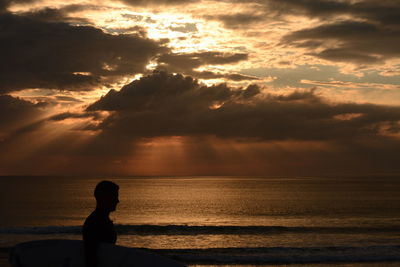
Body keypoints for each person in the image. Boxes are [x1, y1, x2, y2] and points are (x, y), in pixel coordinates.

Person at [83, 180, 119, 267]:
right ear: (106, 198)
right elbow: (91, 256)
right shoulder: (95, 222)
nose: (118, 201)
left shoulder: (103, 220)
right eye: (115, 197)